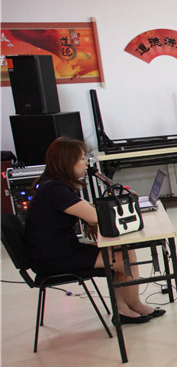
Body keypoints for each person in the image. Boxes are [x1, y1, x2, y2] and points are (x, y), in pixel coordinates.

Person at [24, 138, 164, 325]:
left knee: (121, 252)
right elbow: (96, 216)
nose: (86, 163)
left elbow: (89, 210)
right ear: (67, 162)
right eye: (82, 159)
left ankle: (125, 308)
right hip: (54, 259)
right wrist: (105, 213)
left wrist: (91, 218)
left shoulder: (53, 185)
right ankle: (132, 306)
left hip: (54, 252)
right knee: (124, 257)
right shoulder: (55, 191)